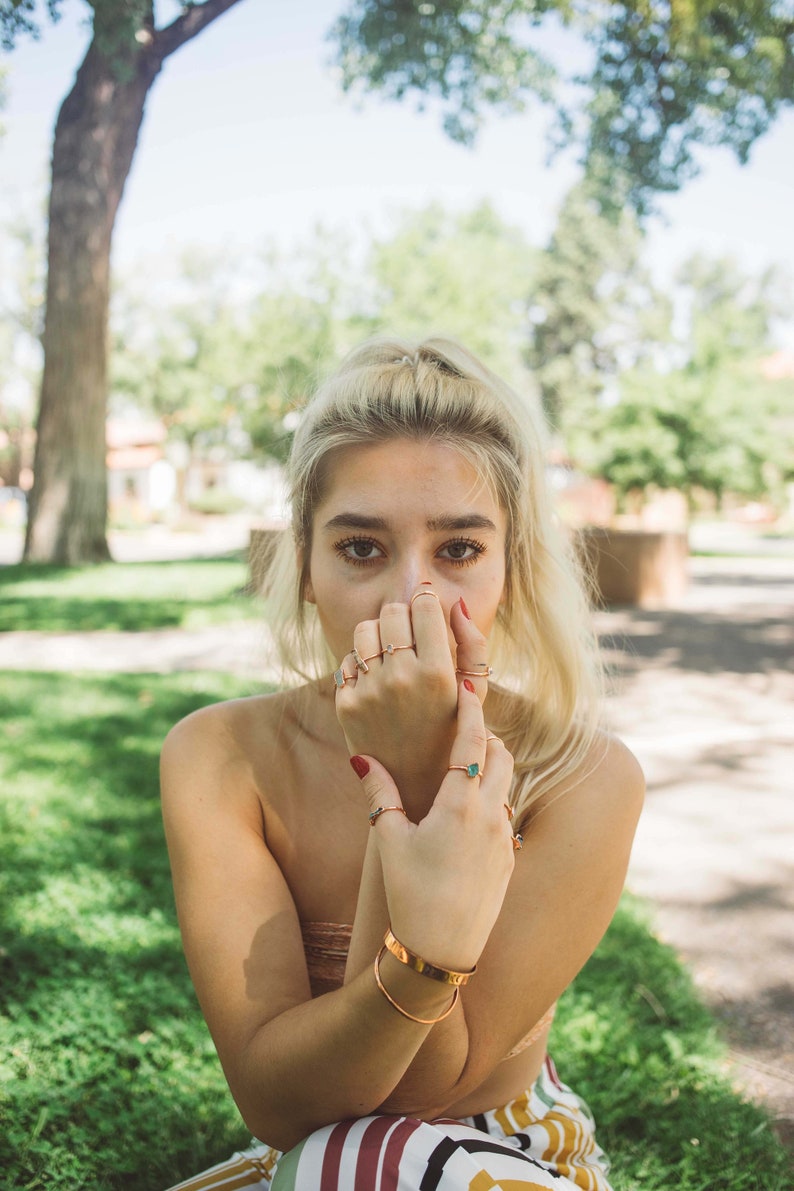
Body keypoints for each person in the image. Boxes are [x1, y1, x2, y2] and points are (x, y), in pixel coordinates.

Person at [160, 336, 644, 1191]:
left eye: (458, 550)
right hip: (300, 1151)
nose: (409, 598)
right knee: (338, 1159)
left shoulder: (586, 776)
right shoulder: (218, 754)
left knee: (374, 1157)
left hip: (504, 1150)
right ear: (305, 565)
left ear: (511, 568)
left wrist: (417, 775)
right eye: (360, 548)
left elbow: (433, 1092)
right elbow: (274, 1101)